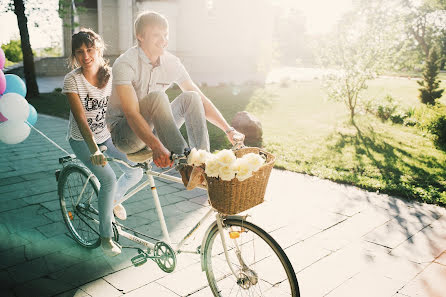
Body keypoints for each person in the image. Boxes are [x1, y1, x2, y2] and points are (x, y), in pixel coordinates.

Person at [106, 11, 244, 169]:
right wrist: (157, 147)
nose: (163, 40)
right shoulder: (125, 63)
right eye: (156, 35)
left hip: (155, 129)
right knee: (157, 98)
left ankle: (202, 162)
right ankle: (185, 164)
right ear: (140, 36)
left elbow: (201, 98)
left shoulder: (172, 62)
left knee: (192, 97)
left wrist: (229, 130)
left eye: (165, 35)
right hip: (126, 136)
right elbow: (131, 113)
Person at [63, 28, 143, 257]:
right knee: (107, 179)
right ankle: (105, 237)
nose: (85, 56)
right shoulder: (72, 81)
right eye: (79, 52)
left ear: (98, 49)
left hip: (107, 134)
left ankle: (114, 200)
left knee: (136, 168)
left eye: (89, 50)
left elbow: (125, 108)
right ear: (74, 56)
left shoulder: (112, 76)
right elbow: (81, 121)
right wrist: (94, 149)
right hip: (82, 139)